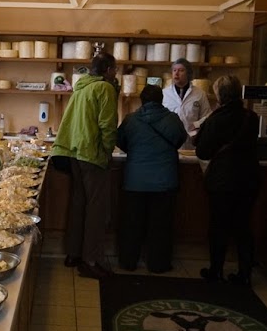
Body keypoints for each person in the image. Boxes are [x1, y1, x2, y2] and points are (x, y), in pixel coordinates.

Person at [51, 52, 118, 280]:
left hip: (73, 152)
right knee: (96, 210)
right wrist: (107, 151)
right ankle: (91, 261)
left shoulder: (80, 88)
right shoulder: (104, 88)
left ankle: (73, 254)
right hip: (92, 154)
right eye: (114, 69)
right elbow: (108, 125)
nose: (115, 73)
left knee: (79, 204)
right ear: (108, 70)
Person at [193, 74, 259, 285]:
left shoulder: (216, 119)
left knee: (219, 227)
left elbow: (202, 151)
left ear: (220, 95)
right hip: (248, 179)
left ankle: (216, 270)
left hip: (222, 180)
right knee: (243, 227)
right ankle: (245, 273)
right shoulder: (251, 117)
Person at [115, 84, 187, 272]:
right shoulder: (172, 119)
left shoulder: (131, 120)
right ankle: (158, 264)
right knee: (160, 226)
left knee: (132, 225)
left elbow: (120, 140)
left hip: (135, 181)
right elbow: (180, 140)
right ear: (161, 100)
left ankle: (128, 262)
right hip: (164, 182)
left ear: (142, 100)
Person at [163, 58, 211, 148]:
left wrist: (197, 124)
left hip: (191, 142)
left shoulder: (199, 94)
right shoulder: (164, 94)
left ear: (188, 73)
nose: (176, 73)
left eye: (181, 70)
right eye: (174, 70)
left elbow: (207, 116)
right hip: (169, 143)